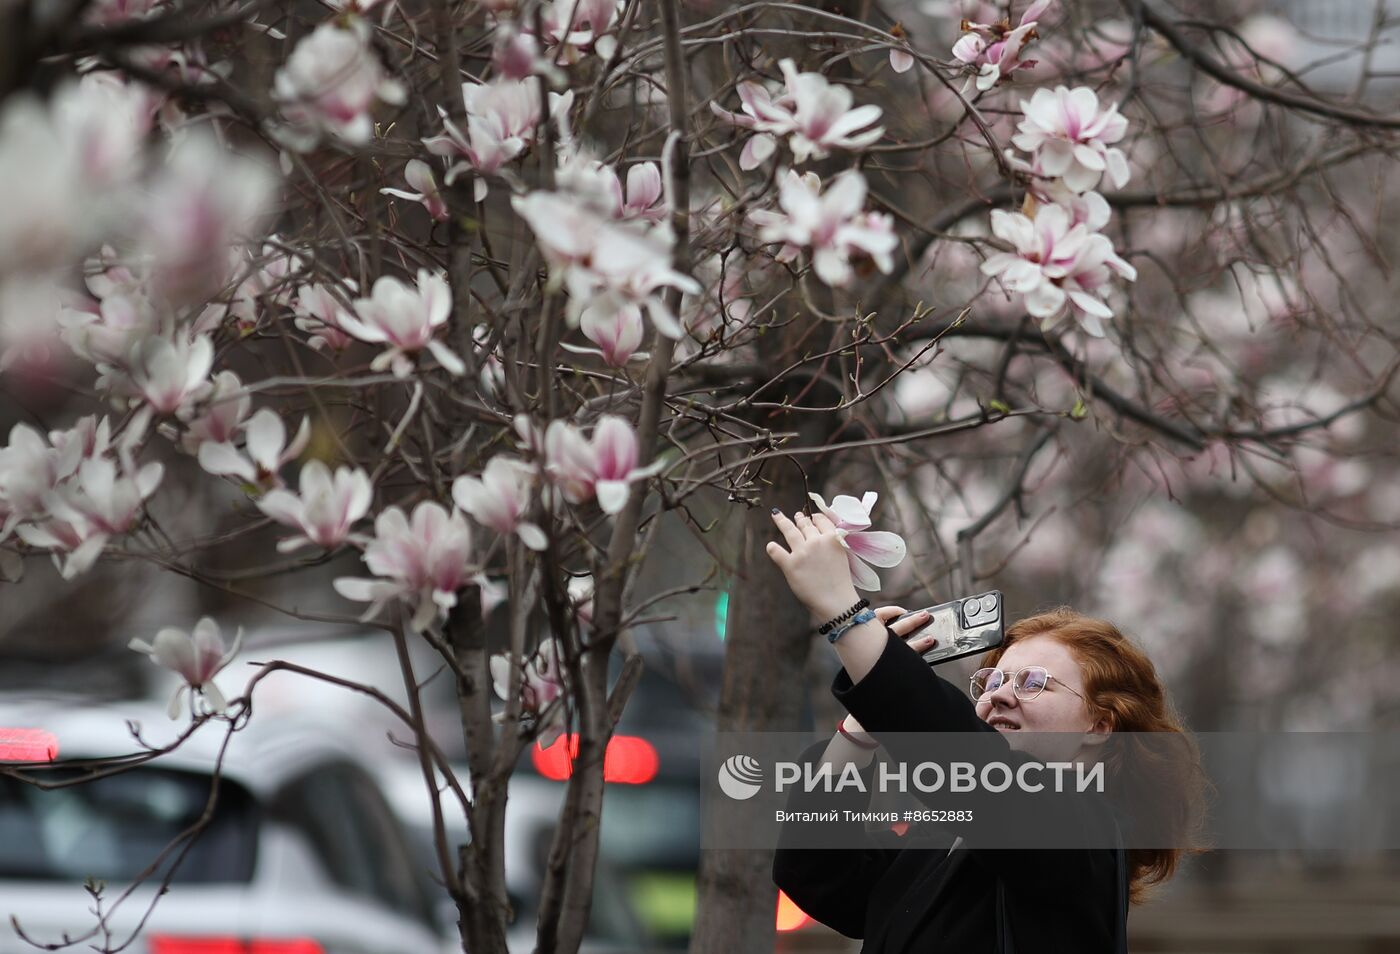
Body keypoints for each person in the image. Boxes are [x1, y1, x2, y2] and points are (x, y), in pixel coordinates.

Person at [764, 507, 1208, 954]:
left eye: (1033, 682)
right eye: (991, 681)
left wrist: (847, 618)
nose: (997, 695)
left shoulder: (1084, 834)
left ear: (1101, 725)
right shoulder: (938, 844)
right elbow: (814, 868)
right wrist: (864, 723)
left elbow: (974, 768)